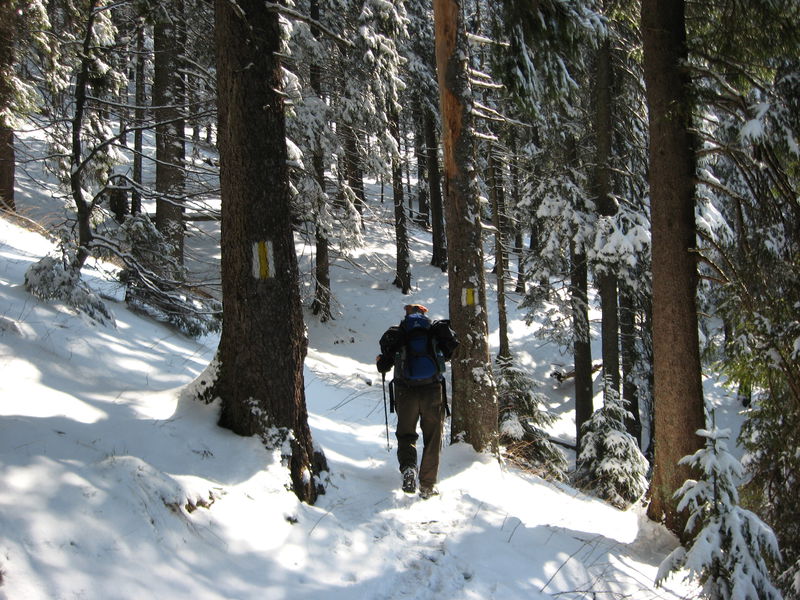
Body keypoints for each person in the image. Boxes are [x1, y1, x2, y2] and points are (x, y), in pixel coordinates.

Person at [376, 304, 458, 499]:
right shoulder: (434, 331)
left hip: (405, 391)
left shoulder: (399, 334)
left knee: (406, 434)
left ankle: (408, 469)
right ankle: (428, 485)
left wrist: (381, 361)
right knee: (433, 437)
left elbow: (383, 367)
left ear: (406, 314)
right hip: (432, 390)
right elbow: (448, 353)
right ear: (423, 314)